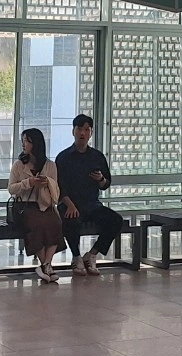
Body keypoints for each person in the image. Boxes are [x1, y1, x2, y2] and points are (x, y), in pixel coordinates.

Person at [56, 114, 122, 276]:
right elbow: (58, 186)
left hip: (92, 204)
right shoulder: (63, 157)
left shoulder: (97, 157)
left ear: (91, 133)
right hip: (69, 204)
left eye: (87, 129)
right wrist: (69, 204)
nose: (82, 133)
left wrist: (100, 179)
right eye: (79, 129)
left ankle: (91, 255)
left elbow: (106, 184)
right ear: (73, 131)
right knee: (71, 219)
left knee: (116, 220)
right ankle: (76, 257)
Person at [8, 128, 65, 283]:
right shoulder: (19, 165)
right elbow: (11, 188)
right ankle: (46, 266)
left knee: (55, 222)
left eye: (27, 141)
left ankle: (46, 264)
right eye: (23, 141)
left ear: (36, 143)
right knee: (35, 224)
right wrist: (29, 183)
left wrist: (47, 183)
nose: (24, 144)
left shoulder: (50, 165)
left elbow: (55, 188)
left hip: (45, 204)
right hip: (24, 206)